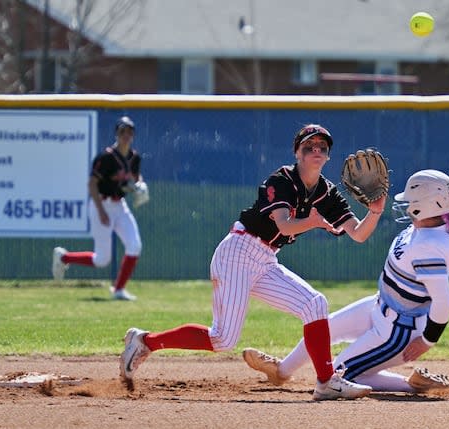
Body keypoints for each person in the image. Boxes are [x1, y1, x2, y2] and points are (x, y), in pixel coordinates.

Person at [118, 124, 386, 401]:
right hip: (238, 251)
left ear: (328, 155)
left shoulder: (326, 193)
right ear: (297, 153)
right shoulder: (281, 180)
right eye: (309, 146)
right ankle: (145, 342)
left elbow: (358, 234)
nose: (316, 150)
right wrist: (313, 222)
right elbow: (284, 226)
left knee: (315, 304)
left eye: (322, 147)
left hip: (265, 259)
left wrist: (375, 212)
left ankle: (325, 381)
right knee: (223, 339)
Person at [242, 171, 449, 393]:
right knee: (322, 329)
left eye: (410, 202)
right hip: (378, 305)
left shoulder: (430, 248)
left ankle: (413, 385)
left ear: (423, 207)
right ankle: (281, 372)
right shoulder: (447, 221)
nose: (406, 206)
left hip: (398, 331)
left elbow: (443, 302)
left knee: (337, 375)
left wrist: (426, 341)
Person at [52, 116, 146, 301]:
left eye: (129, 132)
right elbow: (92, 184)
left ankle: (118, 290)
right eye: (122, 132)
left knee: (135, 245)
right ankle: (64, 258)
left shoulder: (134, 157)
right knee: (102, 260)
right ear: (116, 134)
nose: (126, 135)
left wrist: (140, 185)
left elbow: (135, 177)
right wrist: (101, 211)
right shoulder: (106, 157)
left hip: (120, 205)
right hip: (101, 204)